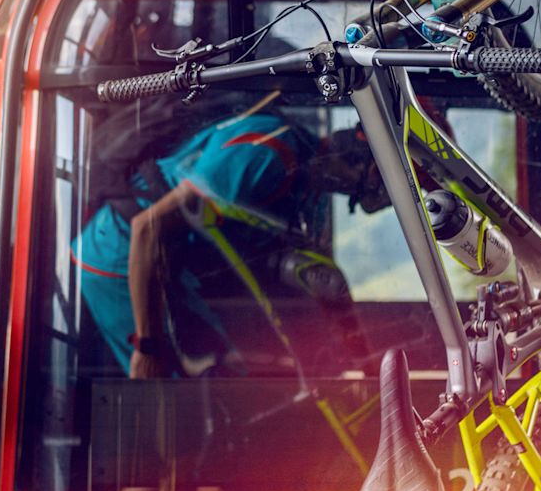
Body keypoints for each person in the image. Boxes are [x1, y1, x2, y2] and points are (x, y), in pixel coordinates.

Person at [72, 104, 384, 380]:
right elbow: (147, 228)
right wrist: (148, 345)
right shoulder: (265, 151)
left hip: (173, 266)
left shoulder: (306, 189)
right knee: (170, 389)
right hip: (119, 257)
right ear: (364, 168)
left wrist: (366, 365)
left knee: (230, 380)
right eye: (377, 185)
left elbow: (317, 276)